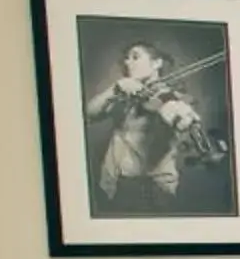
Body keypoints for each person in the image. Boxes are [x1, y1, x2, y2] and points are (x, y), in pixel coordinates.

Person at [84, 42, 220, 213]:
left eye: (135, 57)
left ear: (157, 63)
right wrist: (114, 89)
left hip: (152, 190)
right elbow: (89, 114)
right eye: (126, 58)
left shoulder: (168, 95)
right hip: (113, 183)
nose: (128, 62)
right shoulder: (124, 95)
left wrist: (184, 119)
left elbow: (174, 111)